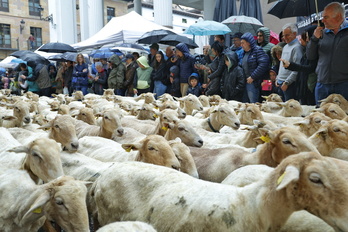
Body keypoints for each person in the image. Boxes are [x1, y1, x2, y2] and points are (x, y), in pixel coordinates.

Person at [307, 2, 348, 104]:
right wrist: (314, 39)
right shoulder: (322, 33)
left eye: (326, 17)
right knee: (321, 118)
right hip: (322, 85)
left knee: (343, 118)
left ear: (338, 17)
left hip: (344, 85)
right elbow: (310, 56)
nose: (322, 20)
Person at [281, 26, 317, 105]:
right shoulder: (306, 51)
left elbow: (308, 68)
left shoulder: (307, 51)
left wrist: (291, 66)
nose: (300, 39)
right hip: (303, 86)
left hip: (309, 86)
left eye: (305, 37)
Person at [276, 23, 303, 101]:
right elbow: (282, 64)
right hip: (281, 82)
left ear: (294, 34)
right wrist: (278, 78)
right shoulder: (285, 46)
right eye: (284, 35)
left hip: (289, 85)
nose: (285, 38)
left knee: (289, 110)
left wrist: (287, 82)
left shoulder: (297, 48)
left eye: (287, 35)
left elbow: (297, 68)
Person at [240, 32, 269, 103]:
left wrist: (253, 77)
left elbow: (263, 64)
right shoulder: (244, 53)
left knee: (253, 103)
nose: (241, 45)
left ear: (249, 43)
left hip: (254, 82)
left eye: (243, 43)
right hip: (246, 81)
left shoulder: (258, 50)